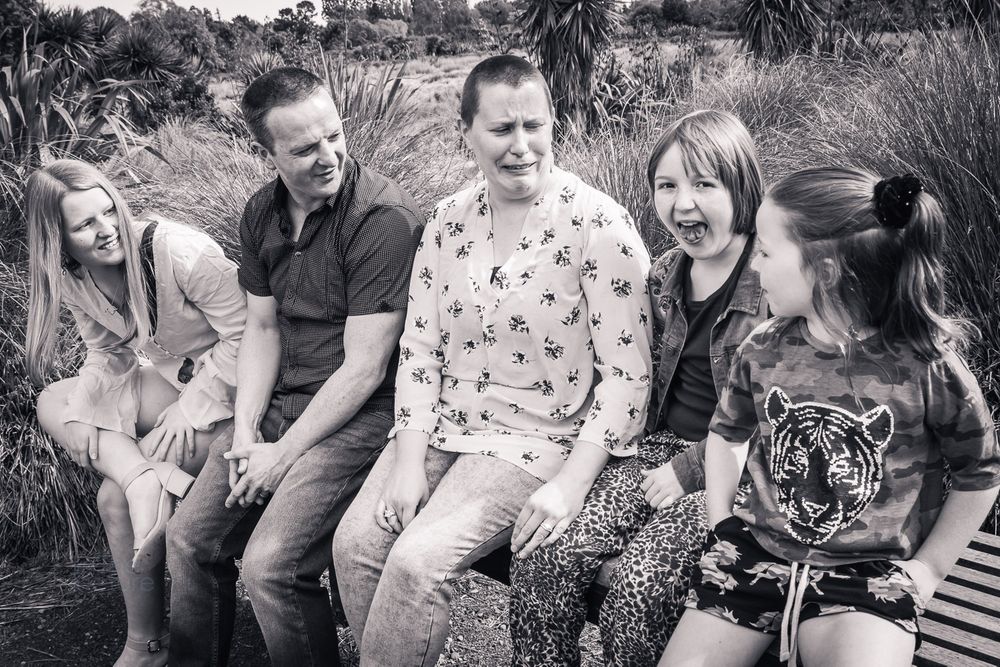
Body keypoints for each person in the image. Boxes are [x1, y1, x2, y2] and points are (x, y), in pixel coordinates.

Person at [332, 54, 653, 667]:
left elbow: (628, 375)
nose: (521, 146)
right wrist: (407, 464)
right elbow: (420, 349)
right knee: (356, 547)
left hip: (537, 438)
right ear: (467, 134)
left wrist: (571, 485)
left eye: (534, 126)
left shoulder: (598, 224)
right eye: (502, 129)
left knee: (417, 564)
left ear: (554, 123)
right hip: (443, 427)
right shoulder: (446, 222)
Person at [661, 167, 1000, 667]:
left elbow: (980, 473)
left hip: (868, 576)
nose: (753, 264)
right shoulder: (763, 347)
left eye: (765, 252)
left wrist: (929, 568)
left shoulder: (928, 367)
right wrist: (721, 522)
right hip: (756, 553)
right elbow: (726, 434)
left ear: (825, 270)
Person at [165, 67, 424, 667]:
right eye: (305, 148)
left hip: (363, 414)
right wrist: (247, 432)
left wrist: (281, 456)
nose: (328, 156)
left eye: (334, 135)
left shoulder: (381, 218)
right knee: (189, 540)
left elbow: (365, 369)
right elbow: (261, 328)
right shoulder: (262, 213)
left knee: (271, 566)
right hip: (282, 401)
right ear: (269, 153)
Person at [508, 110, 768, 666]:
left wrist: (689, 470)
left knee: (638, 588)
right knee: (545, 554)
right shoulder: (666, 273)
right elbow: (628, 370)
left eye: (704, 184)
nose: (683, 203)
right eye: (667, 186)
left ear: (742, 188)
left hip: (739, 472)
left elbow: (778, 420)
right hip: (656, 450)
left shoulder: (774, 282)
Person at [25, 158, 245, 666]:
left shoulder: (176, 251)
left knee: (111, 499)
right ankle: (143, 478)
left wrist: (190, 409)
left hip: (240, 394)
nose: (106, 229)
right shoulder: (74, 276)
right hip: (177, 384)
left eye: (109, 211)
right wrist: (87, 409)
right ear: (58, 240)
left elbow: (251, 337)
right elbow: (108, 350)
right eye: (85, 224)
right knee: (55, 401)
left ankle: (145, 645)